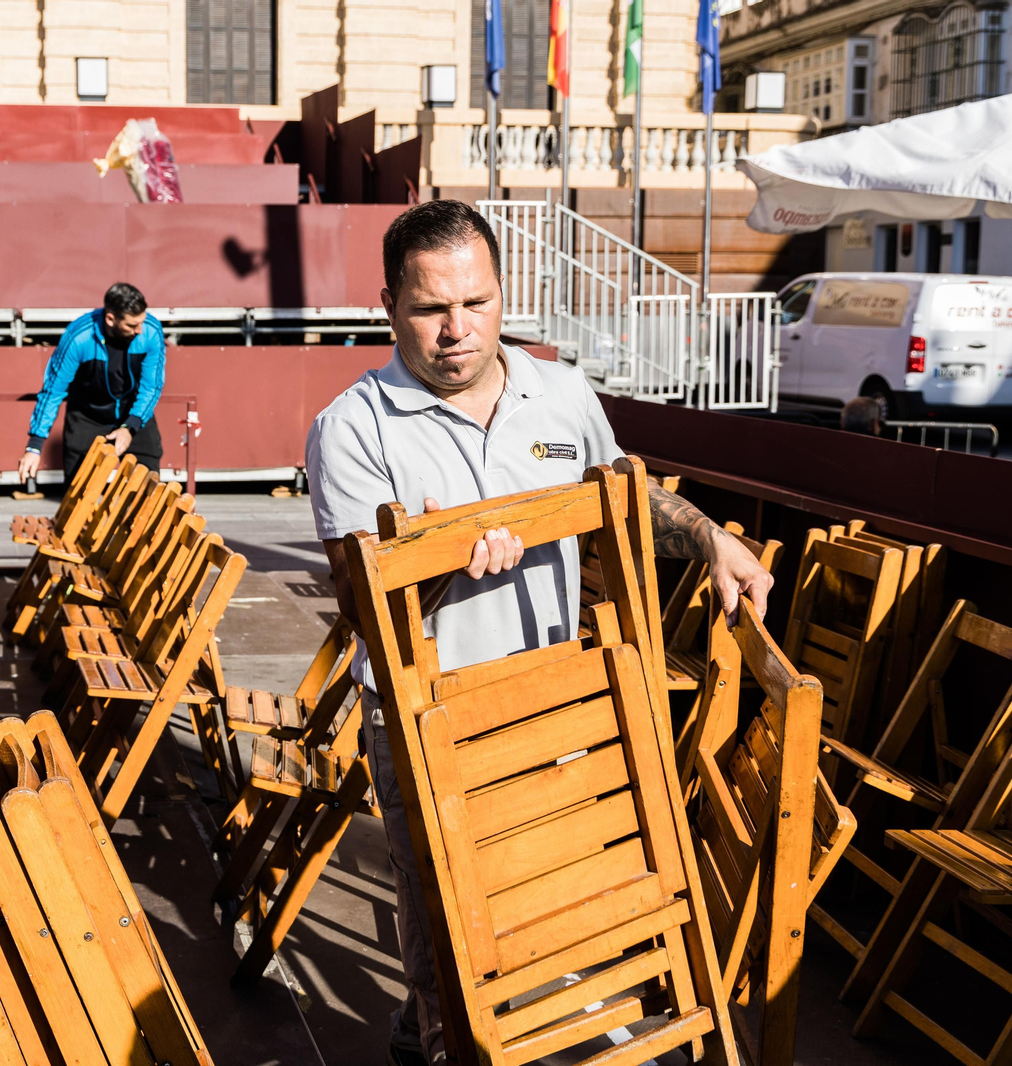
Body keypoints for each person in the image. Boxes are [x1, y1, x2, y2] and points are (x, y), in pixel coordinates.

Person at [305, 199, 774, 1066]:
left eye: (476, 303)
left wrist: (713, 539)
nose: (457, 330)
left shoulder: (559, 390)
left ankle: (429, 1031)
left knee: (547, 907)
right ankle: (437, 1042)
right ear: (389, 307)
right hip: (424, 718)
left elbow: (622, 490)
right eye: (430, 308)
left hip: (560, 703)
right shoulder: (351, 426)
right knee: (447, 923)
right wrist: (440, 557)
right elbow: (355, 605)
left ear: (502, 293)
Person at [16, 282, 165, 484]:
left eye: (142, 321)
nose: (139, 330)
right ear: (110, 319)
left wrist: (130, 426)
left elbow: (151, 386)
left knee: (148, 489)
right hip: (87, 417)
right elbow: (53, 391)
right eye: (131, 325)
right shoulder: (78, 337)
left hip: (134, 413)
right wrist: (35, 445)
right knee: (78, 492)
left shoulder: (151, 331)